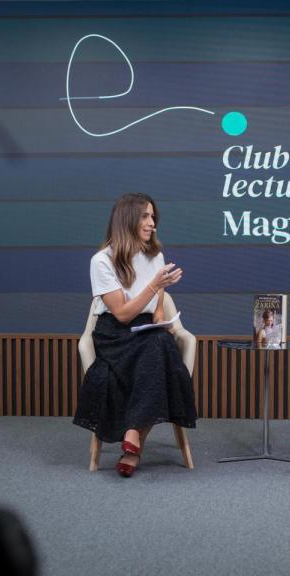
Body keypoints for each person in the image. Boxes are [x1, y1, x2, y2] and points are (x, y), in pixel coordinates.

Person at [72, 193, 198, 477]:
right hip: (115, 333)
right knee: (159, 351)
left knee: (160, 341)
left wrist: (161, 321)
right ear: (127, 219)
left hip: (147, 331)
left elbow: (157, 311)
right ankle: (136, 440)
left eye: (153, 217)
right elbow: (123, 315)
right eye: (145, 216)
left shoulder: (156, 255)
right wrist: (155, 285)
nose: (152, 223)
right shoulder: (102, 261)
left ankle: (133, 437)